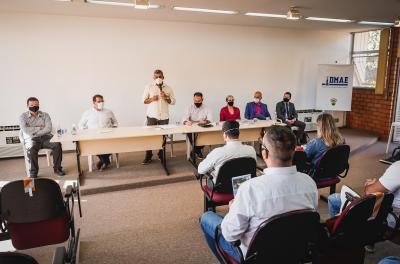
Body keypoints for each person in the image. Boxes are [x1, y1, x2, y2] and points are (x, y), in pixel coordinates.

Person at [200, 126, 318, 262]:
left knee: (206, 218)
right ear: (294, 151)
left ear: (264, 153)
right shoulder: (309, 182)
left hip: (255, 257)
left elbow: (230, 235)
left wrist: (232, 210)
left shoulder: (249, 189)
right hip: (295, 250)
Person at [328, 161, 400, 226]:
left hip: (387, 216)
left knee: (333, 198)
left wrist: (370, 185)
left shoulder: (398, 167)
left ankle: (337, 231)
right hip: (391, 212)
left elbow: (369, 192)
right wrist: (377, 184)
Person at [19, 97, 65, 178]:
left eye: (36, 105)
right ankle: (33, 172)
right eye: (32, 105)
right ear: (27, 106)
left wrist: (34, 131)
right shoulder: (23, 116)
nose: (34, 106)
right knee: (31, 149)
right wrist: (39, 127)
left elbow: (48, 128)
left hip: (46, 138)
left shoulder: (45, 115)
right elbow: (25, 130)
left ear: (39, 105)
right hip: (32, 139)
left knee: (57, 144)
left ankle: (57, 169)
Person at [142, 69, 176, 165]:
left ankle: (161, 154)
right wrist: (152, 98)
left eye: (160, 76)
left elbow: (173, 102)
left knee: (163, 137)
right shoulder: (148, 87)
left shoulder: (168, 88)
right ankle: (148, 155)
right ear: (153, 78)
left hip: (164, 117)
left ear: (163, 77)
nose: (158, 78)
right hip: (152, 116)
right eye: (156, 77)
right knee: (149, 137)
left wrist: (166, 97)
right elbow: (143, 100)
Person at [79, 94, 118, 171]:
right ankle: (106, 161)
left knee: (112, 144)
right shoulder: (87, 113)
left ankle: (103, 161)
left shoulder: (108, 112)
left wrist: (114, 129)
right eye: (99, 101)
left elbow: (115, 123)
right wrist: (87, 132)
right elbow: (80, 125)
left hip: (108, 136)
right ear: (94, 103)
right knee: (95, 145)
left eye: (102, 101)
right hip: (94, 137)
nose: (101, 103)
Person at [182, 92, 213, 159]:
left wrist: (206, 121)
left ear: (202, 99)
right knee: (191, 134)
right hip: (192, 126)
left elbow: (210, 119)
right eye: (195, 101)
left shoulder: (206, 107)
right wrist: (186, 122)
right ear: (193, 99)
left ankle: (195, 150)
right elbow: (184, 118)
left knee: (206, 137)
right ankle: (198, 151)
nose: (197, 102)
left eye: (199, 101)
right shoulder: (189, 107)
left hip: (203, 126)